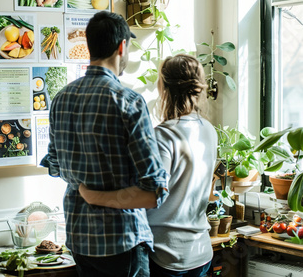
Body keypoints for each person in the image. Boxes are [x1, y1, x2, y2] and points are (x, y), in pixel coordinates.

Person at [40, 11, 168, 277]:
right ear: (122, 47)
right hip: (121, 241)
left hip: (79, 239)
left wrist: (85, 186)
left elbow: (55, 166)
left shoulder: (61, 98)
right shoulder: (128, 102)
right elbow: (153, 191)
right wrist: (98, 194)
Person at [79, 54, 217, 277]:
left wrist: (93, 196)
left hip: (167, 254)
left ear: (163, 87)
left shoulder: (164, 135)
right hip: (200, 253)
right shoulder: (208, 130)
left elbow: (150, 195)